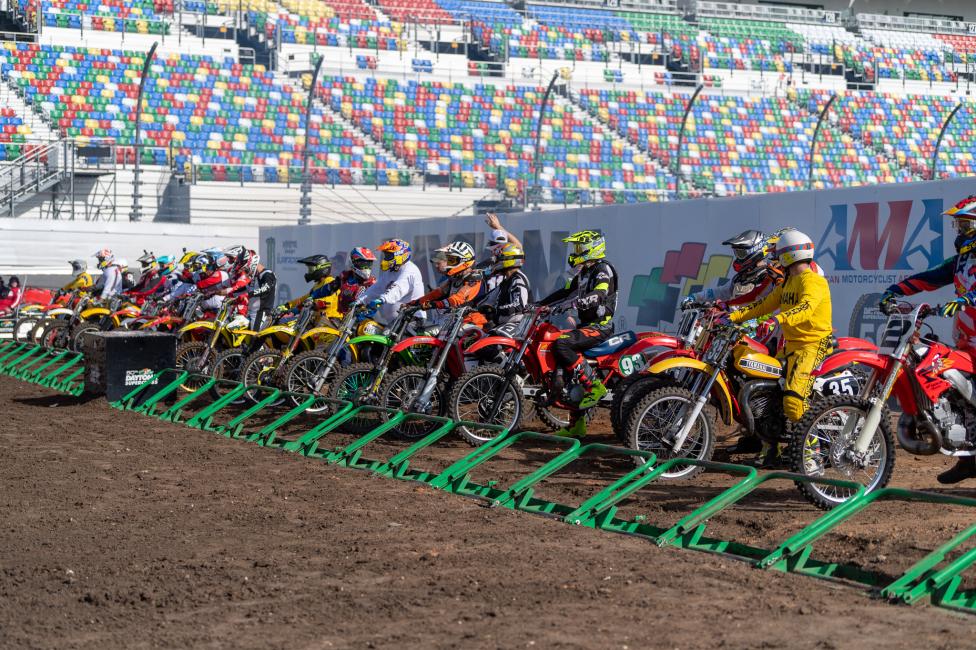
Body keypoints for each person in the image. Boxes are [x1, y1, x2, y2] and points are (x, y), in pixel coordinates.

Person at [880, 194, 976, 483]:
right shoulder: (962, 259)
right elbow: (928, 278)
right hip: (967, 339)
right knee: (956, 393)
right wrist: (894, 290)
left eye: (965, 226)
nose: (959, 232)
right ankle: (967, 460)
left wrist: (966, 299)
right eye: (958, 226)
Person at [727, 229, 832, 465]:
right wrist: (730, 317)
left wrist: (777, 320)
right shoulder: (788, 282)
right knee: (764, 393)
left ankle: (813, 453)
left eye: (777, 254)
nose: (773, 259)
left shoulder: (814, 281)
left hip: (812, 346)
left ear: (788, 255)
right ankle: (770, 450)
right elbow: (763, 305)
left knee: (794, 402)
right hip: (791, 347)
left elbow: (806, 308)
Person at [538, 230, 618, 438]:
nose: (575, 252)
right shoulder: (583, 274)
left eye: (579, 248)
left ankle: (595, 385)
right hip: (585, 325)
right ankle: (577, 425)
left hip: (601, 326)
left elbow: (600, 293)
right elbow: (564, 293)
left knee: (562, 344)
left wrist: (580, 301)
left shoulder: (603, 269)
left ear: (591, 248)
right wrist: (539, 305)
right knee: (564, 362)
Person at [685, 230, 783, 309]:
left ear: (755, 251)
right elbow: (720, 292)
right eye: (736, 253)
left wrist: (725, 307)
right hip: (734, 326)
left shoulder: (770, 275)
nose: (738, 257)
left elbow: (770, 305)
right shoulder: (741, 277)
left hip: (756, 328)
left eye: (741, 254)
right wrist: (695, 297)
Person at [354, 238, 425, 325]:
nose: (386, 259)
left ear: (400, 255)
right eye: (386, 255)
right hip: (396, 321)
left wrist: (382, 300)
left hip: (412, 320)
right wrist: (360, 301)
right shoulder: (391, 271)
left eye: (389, 255)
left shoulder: (409, 269)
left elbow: (398, 288)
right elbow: (377, 288)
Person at [408, 241, 482, 314]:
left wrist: (434, 304)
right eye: (448, 259)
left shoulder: (474, 278)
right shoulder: (455, 278)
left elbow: (457, 299)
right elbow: (437, 293)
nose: (448, 263)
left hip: (473, 321)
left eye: (451, 260)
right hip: (456, 320)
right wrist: (414, 303)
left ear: (464, 262)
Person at [477, 242, 531, 334]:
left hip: (519, 324)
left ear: (508, 259)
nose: (495, 262)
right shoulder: (506, 280)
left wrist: (496, 310)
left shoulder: (518, 279)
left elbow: (519, 305)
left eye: (498, 258)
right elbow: (487, 299)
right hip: (506, 322)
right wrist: (467, 306)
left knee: (490, 343)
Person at [276, 254, 342, 319]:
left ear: (322, 268)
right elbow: (304, 299)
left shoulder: (330, 282)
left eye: (311, 269)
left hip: (331, 321)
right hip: (319, 321)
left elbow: (326, 303)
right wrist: (287, 306)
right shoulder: (318, 284)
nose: (309, 272)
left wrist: (310, 304)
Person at [337, 247, 376, 313]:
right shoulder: (344, 277)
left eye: (369, 264)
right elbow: (329, 288)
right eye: (364, 264)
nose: (366, 268)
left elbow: (375, 305)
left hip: (359, 320)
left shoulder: (372, 284)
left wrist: (365, 311)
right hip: (340, 318)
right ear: (353, 262)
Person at [247, 257, 277, 331]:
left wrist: (250, 294)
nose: (247, 271)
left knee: (255, 338)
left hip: (261, 312)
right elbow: (245, 288)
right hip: (252, 312)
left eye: (247, 268)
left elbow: (266, 288)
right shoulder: (256, 276)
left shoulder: (267, 274)